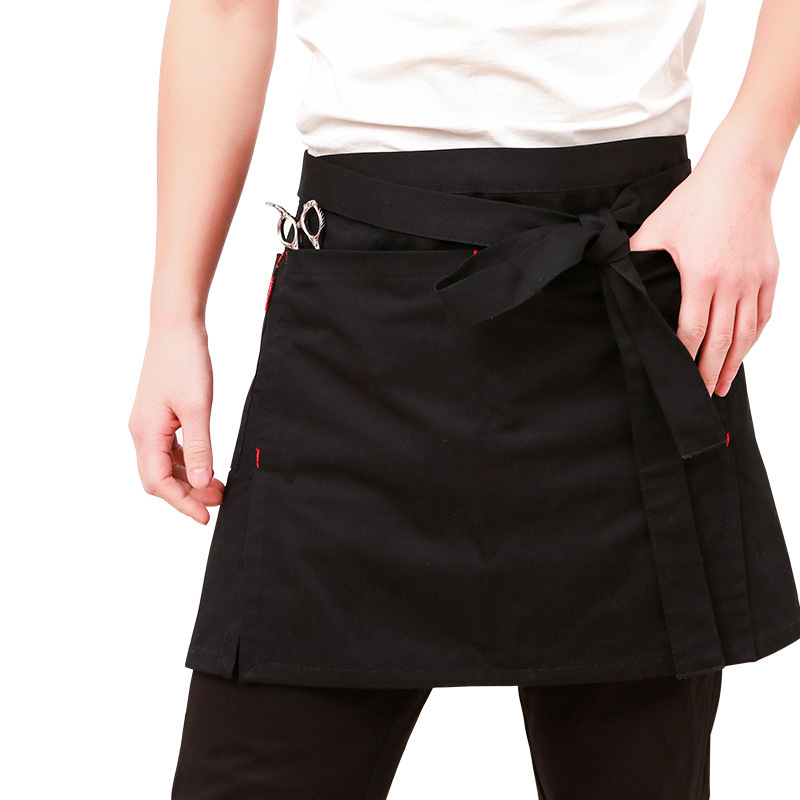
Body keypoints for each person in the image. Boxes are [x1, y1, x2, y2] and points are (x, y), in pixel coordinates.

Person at [129, 1, 800, 798]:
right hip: (359, 316)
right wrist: (174, 314)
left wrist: (749, 165)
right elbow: (226, 12)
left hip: (621, 289)